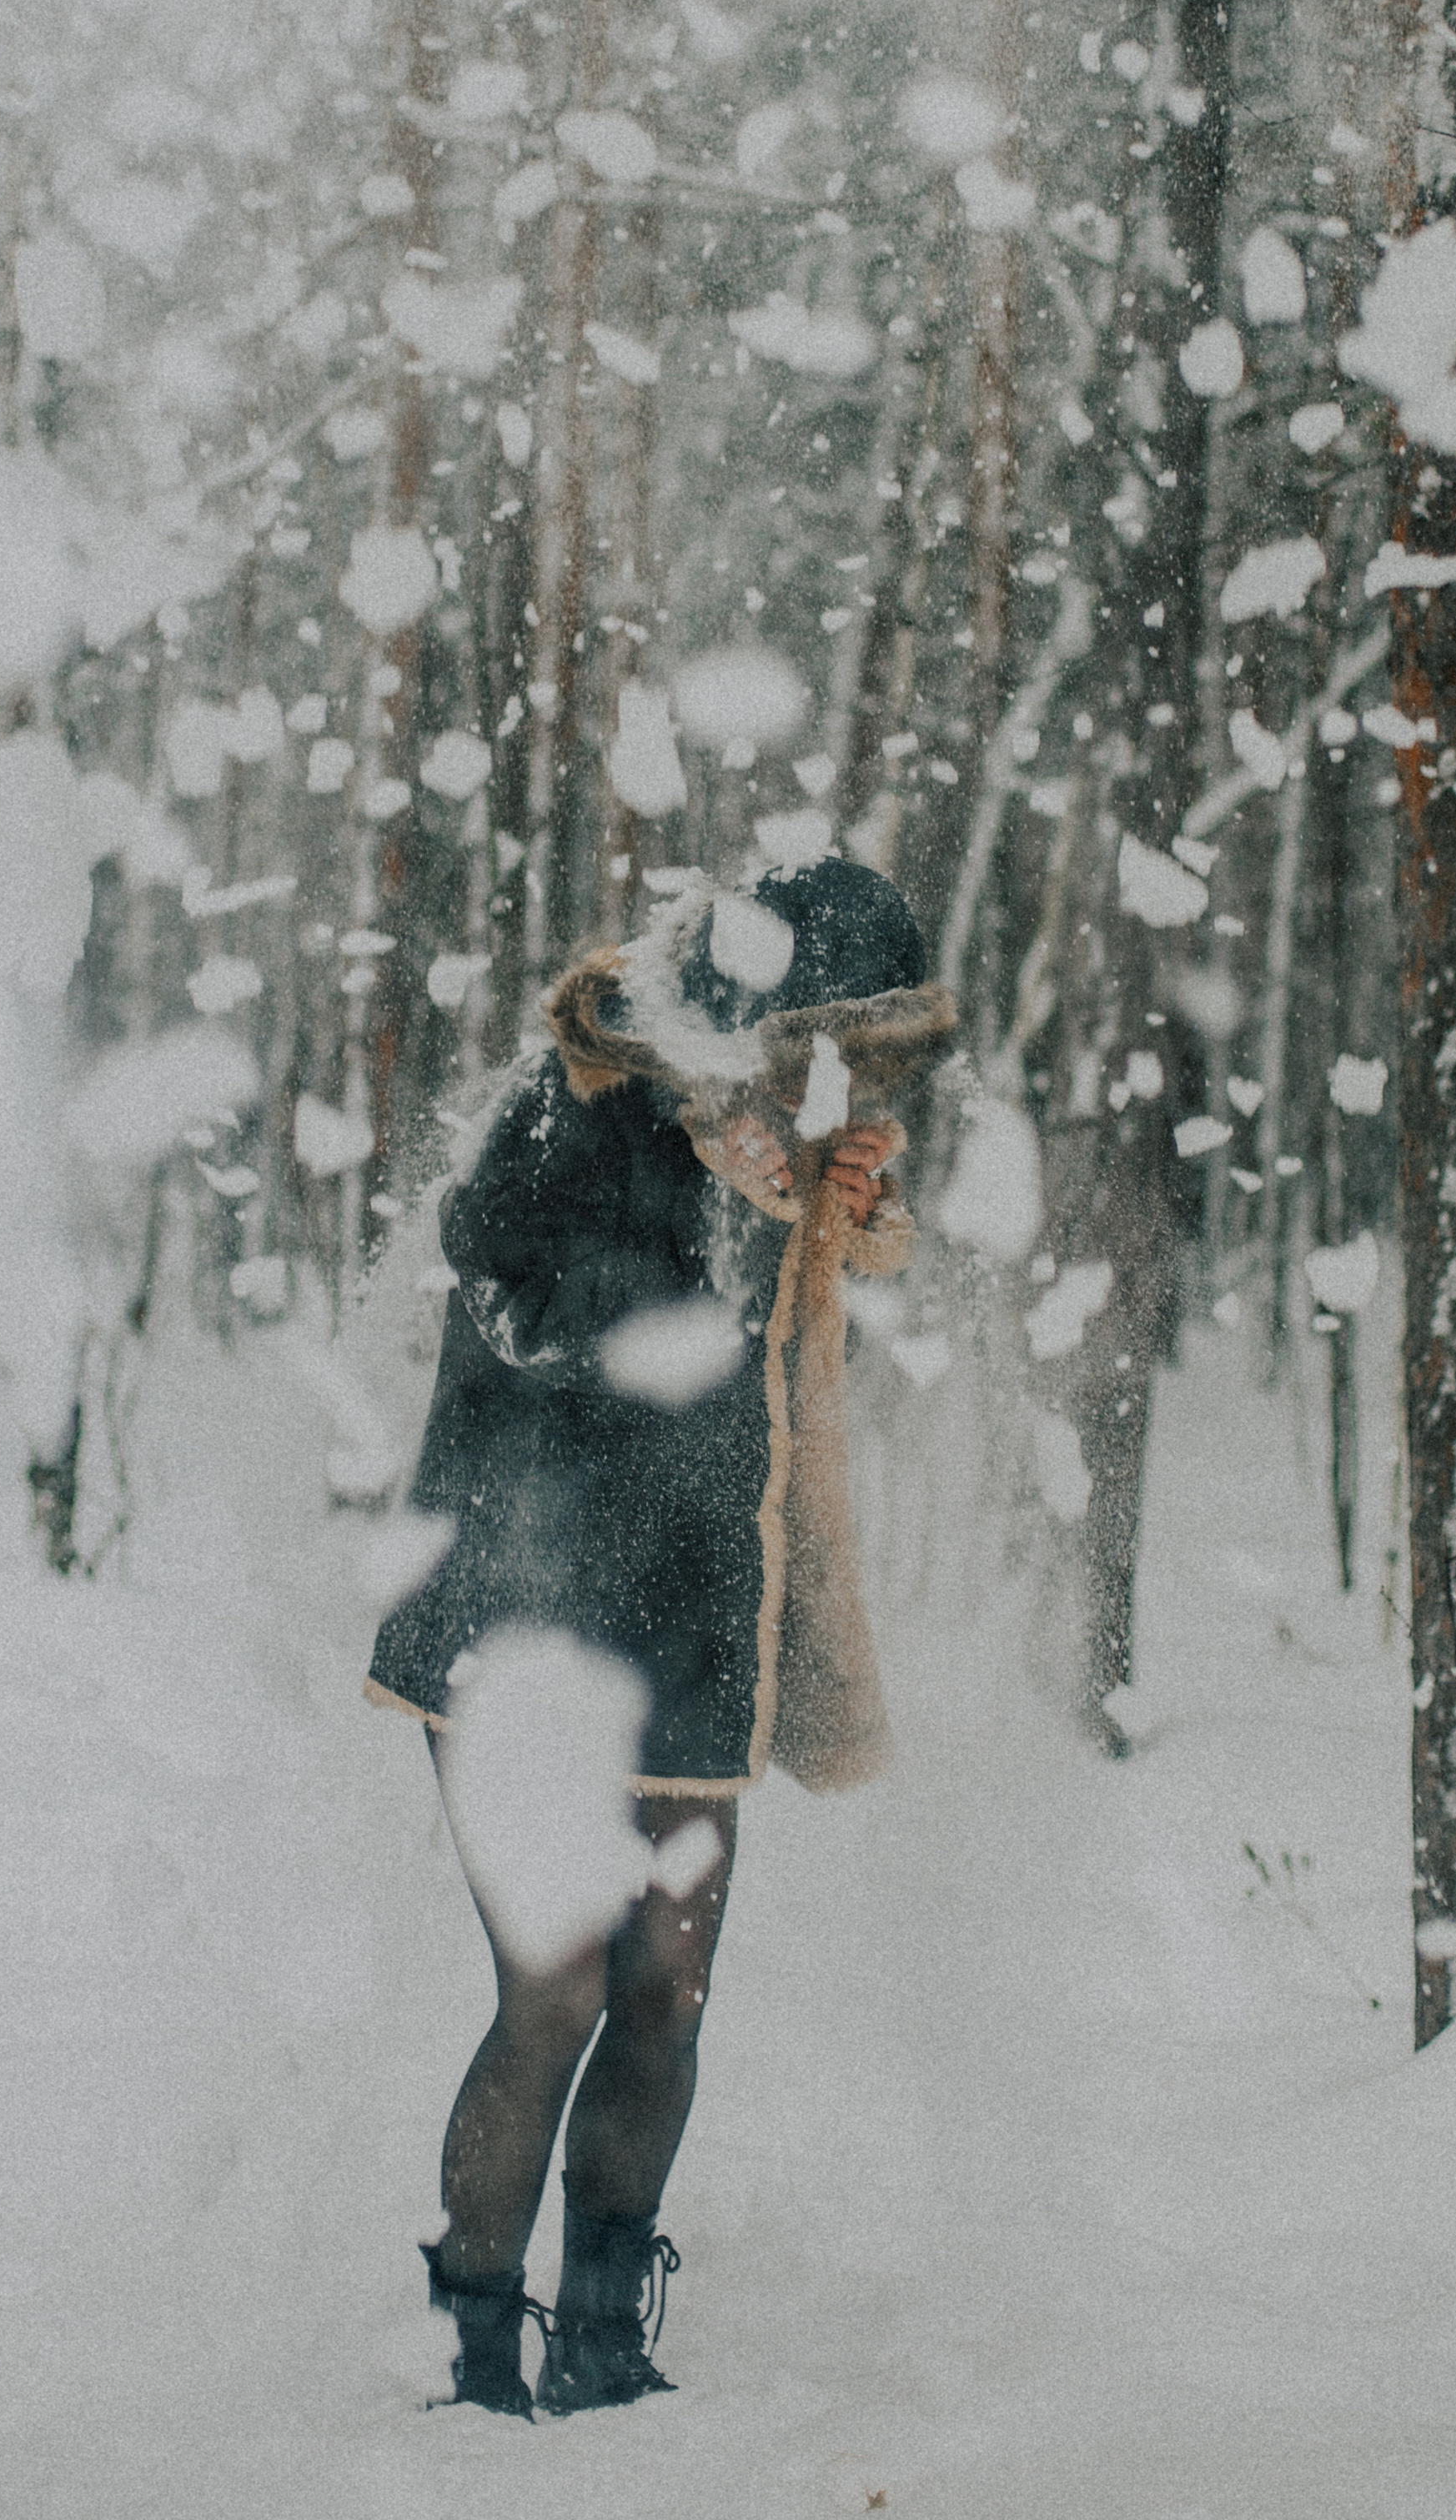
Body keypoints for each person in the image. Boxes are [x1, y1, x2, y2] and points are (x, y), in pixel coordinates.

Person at [365, 855, 955, 2417]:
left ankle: (611, 2333)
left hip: (696, 1611)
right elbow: (517, 1298)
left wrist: (840, 1211)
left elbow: (812, 1307)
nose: (837, 1081)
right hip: (527, 1611)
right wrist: (709, 1206)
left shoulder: (782, 1117)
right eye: (821, 1046)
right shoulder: (584, 1093)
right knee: (554, 1987)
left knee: (666, 1987)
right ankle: (476, 2345)